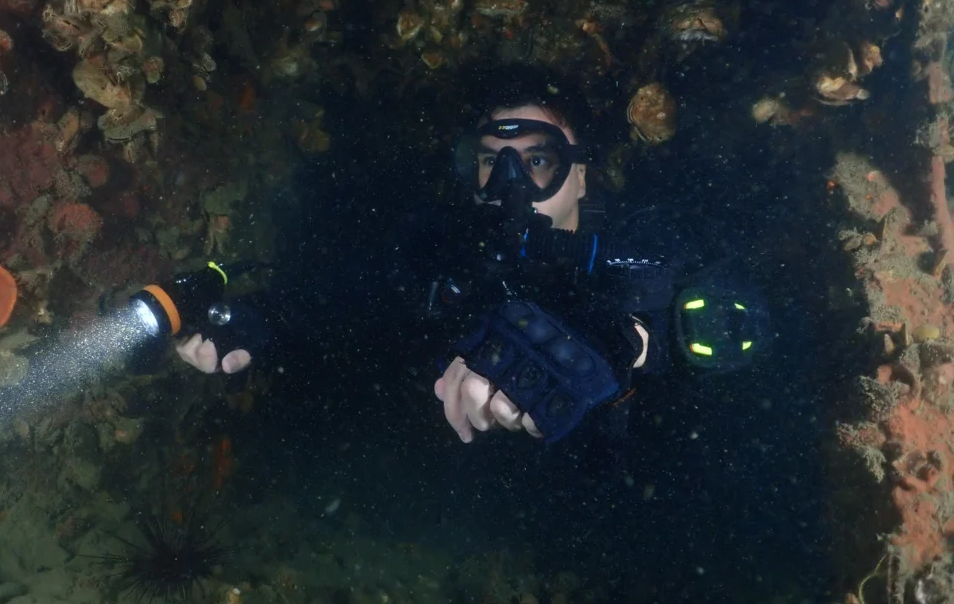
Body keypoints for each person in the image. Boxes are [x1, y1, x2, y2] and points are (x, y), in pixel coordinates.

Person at [176, 65, 769, 445]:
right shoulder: (447, 249)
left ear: (582, 177)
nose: (510, 184)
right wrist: (267, 318)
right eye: (492, 162)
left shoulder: (638, 245)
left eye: (537, 161)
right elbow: (356, 289)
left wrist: (623, 343)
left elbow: (727, 316)